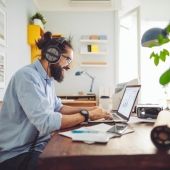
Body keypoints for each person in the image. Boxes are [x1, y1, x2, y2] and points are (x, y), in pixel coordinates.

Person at [0, 31, 113, 170]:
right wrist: (87, 115)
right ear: (53, 55)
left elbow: (58, 107)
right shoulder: (27, 77)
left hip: (39, 145)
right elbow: (47, 123)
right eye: (68, 60)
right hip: (17, 154)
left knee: (79, 153)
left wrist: (92, 109)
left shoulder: (47, 79)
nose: (70, 66)